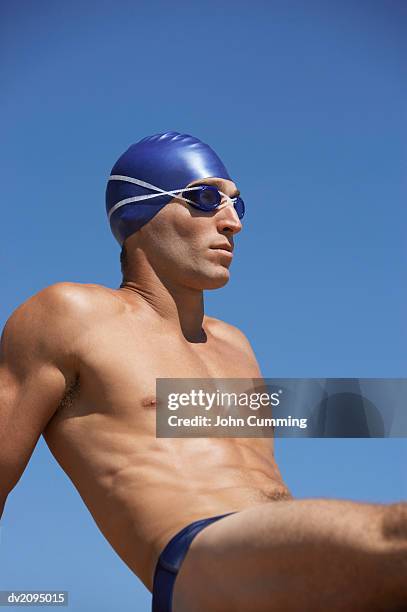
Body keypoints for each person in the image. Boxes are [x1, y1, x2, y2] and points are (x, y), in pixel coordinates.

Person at [0, 132, 405, 612]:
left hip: (290, 579)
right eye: (207, 198)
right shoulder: (70, 314)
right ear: (139, 211)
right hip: (199, 565)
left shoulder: (235, 345)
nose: (232, 223)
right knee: (394, 535)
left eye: (238, 204)